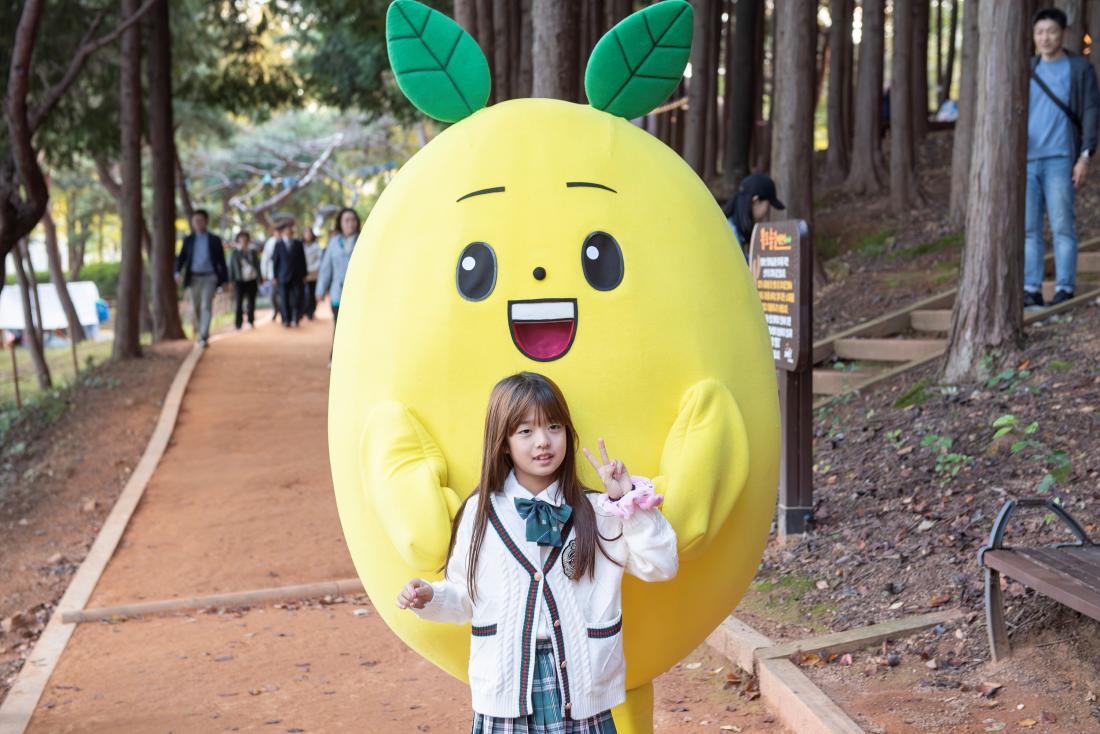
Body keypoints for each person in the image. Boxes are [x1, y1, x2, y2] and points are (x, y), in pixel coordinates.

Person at [396, 372, 677, 734]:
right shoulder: (481, 514)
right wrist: (428, 596)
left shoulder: (600, 511)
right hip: (506, 691)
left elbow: (662, 565)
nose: (543, 442)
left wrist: (628, 502)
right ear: (504, 443)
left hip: (583, 687)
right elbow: (466, 598)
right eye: (525, 431)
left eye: (554, 427)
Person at [1025, 7, 1100, 309]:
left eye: (1051, 31)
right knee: (1029, 229)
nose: (1045, 38)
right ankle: (1031, 288)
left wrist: (1085, 156)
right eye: (1040, 32)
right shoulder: (1028, 68)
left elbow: (1091, 112)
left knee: (1062, 226)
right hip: (1028, 162)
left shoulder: (1079, 68)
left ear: (1063, 33)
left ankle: (1064, 288)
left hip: (1061, 158)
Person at [174, 209, 228, 347]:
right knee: (197, 306)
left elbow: (222, 262)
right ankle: (200, 332)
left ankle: (203, 335)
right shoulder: (188, 240)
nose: (198, 223)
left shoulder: (214, 240)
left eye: (200, 220)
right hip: (194, 278)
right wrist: (177, 272)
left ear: (206, 222)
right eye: (195, 220)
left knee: (206, 305)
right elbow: (181, 259)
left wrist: (225, 280)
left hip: (210, 277)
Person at [316, 207, 360, 328]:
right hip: (338, 294)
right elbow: (326, 269)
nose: (350, 223)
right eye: (346, 220)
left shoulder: (363, 240)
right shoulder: (333, 243)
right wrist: (320, 290)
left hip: (359, 294)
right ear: (340, 223)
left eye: (353, 220)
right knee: (339, 327)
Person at [721, 174, 786, 256]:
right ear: (756, 201)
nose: (767, 213)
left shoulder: (732, 229)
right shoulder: (729, 235)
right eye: (768, 206)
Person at [271, 218, 307, 328]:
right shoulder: (278, 244)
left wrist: (305, 273)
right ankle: (286, 319)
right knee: (284, 298)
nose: (289, 231)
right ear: (283, 232)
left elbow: (303, 259)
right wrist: (275, 276)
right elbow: (275, 261)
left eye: (291, 229)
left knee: (297, 297)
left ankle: (296, 318)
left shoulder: (298, 243)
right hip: (282, 276)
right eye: (287, 230)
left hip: (297, 276)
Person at [228, 231, 261, 330]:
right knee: (239, 303)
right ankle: (238, 323)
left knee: (251, 302)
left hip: (252, 280)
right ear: (238, 241)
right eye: (241, 240)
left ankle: (251, 321)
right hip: (240, 281)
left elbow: (257, 265)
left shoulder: (252, 252)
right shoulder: (235, 253)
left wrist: (260, 277)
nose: (244, 242)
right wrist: (231, 280)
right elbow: (232, 268)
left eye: (245, 240)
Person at [302, 227, 322, 321]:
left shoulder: (316, 246)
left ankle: (311, 311)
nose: (308, 235)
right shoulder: (301, 245)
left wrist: (312, 269)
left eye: (309, 233)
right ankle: (305, 311)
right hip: (304, 274)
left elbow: (320, 259)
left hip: (314, 274)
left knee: (313, 293)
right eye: (306, 233)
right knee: (305, 293)